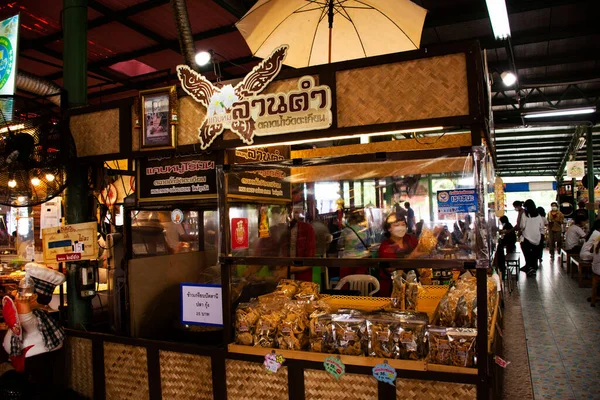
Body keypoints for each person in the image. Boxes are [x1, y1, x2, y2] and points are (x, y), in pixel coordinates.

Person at [377, 212, 424, 296]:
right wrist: (411, 256)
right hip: (393, 288)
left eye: (403, 224)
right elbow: (390, 269)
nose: (401, 227)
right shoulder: (385, 246)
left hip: (414, 285)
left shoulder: (411, 239)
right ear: (389, 229)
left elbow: (423, 251)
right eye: (396, 225)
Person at [519, 199, 545, 277]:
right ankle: (533, 267)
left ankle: (529, 267)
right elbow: (542, 227)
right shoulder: (538, 215)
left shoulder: (525, 214)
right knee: (534, 253)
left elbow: (522, 226)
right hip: (537, 238)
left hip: (527, 238)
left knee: (527, 254)